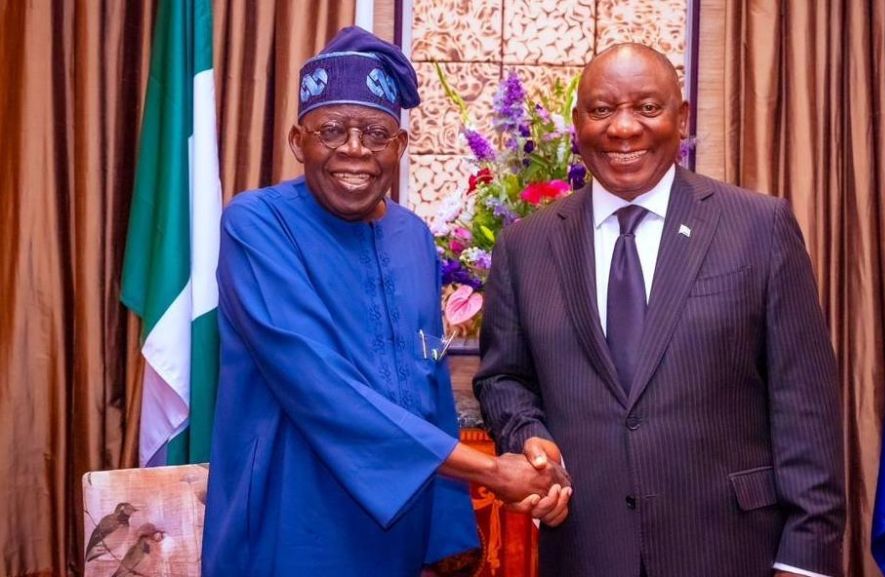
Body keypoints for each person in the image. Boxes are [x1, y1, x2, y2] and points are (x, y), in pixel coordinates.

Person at [202, 27, 569, 577]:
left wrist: (447, 535)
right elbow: (317, 382)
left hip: (399, 530)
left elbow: (429, 384)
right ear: (297, 140)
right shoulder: (256, 223)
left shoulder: (414, 237)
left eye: (375, 133)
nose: (354, 149)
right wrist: (491, 472)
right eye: (331, 130)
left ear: (399, 147)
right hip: (288, 519)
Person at [474, 43, 845, 577]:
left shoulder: (759, 227)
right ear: (578, 123)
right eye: (602, 110)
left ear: (682, 117)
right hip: (585, 551)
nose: (623, 128)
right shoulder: (524, 245)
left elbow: (805, 405)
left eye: (647, 107)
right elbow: (503, 378)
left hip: (733, 553)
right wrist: (528, 435)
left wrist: (805, 562)